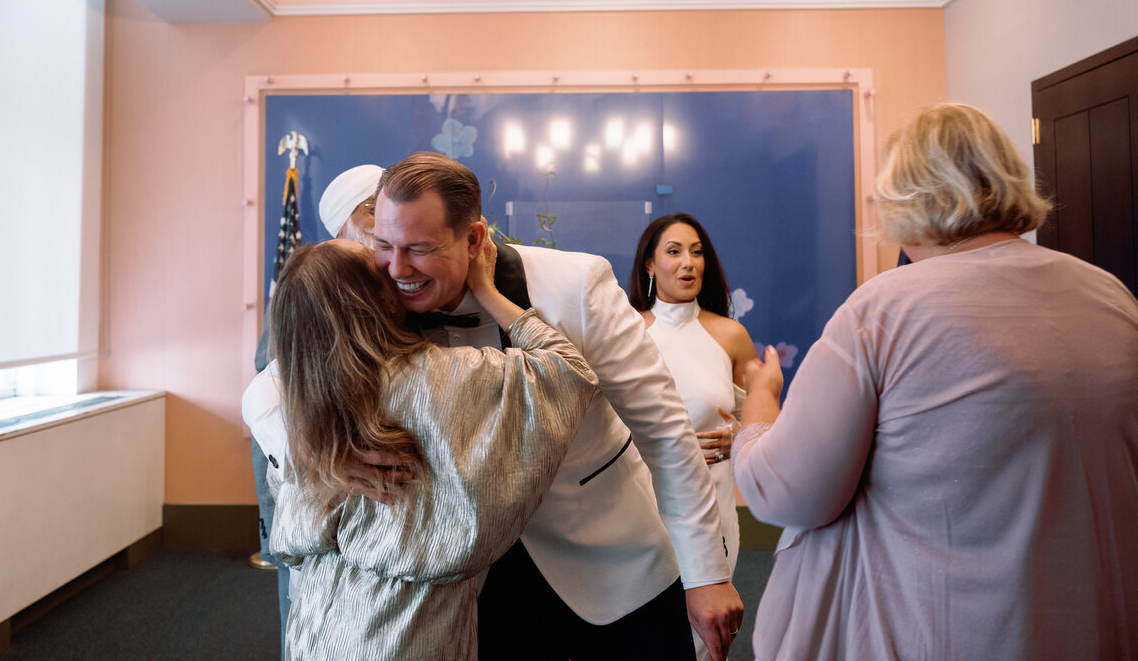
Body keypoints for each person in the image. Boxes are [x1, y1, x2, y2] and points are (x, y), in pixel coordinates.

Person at [732, 103, 1138, 660]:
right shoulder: (1110, 296)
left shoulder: (883, 309)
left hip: (940, 628)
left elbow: (786, 494)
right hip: (1095, 625)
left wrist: (759, 406)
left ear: (904, 196)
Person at [363, 152, 743, 660]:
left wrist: (707, 575)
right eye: (384, 244)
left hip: (614, 569)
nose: (396, 268)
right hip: (471, 584)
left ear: (474, 239)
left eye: (418, 249)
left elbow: (664, 431)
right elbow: (271, 392)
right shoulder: (371, 290)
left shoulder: (575, 286)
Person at [256, 237, 598, 660]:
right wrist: (489, 293)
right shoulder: (446, 378)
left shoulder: (296, 399)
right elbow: (569, 371)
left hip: (311, 624)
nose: (398, 272)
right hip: (405, 630)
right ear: (374, 299)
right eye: (382, 271)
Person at [249, 163, 384, 656]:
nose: (383, 220)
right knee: (306, 601)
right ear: (345, 224)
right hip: (315, 473)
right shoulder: (317, 283)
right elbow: (265, 382)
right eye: (373, 208)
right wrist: (313, 452)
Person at [628, 213, 756, 661]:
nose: (689, 263)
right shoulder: (628, 335)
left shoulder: (731, 336)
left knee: (705, 639)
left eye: (697, 252)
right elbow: (602, 429)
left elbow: (764, 426)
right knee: (648, 632)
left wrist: (739, 437)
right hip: (644, 507)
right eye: (674, 251)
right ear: (649, 264)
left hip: (717, 508)